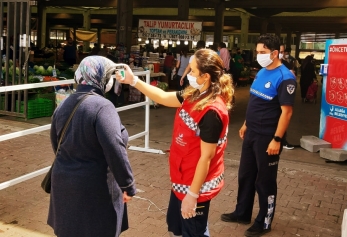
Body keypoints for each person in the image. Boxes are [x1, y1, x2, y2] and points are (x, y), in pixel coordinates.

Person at [116, 49, 234, 237]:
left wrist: (193, 196)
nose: (188, 75)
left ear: (205, 76)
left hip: (196, 185)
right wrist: (133, 81)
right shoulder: (196, 94)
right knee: (177, 226)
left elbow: (206, 158)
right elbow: (163, 97)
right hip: (183, 178)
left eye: (193, 71)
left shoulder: (212, 111)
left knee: (194, 230)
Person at [48, 56, 136, 237]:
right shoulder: (103, 106)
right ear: (101, 77)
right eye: (110, 76)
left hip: (64, 188)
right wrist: (127, 184)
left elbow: (55, 143)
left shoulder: (63, 104)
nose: (111, 80)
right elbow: (115, 149)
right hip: (95, 191)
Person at [221, 34, 296, 237]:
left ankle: (264, 221)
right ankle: (242, 212)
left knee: (264, 181)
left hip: (268, 136)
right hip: (252, 132)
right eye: (257, 51)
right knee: (246, 175)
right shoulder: (262, 72)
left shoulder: (285, 77)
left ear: (274, 53)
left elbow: (287, 112)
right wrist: (246, 123)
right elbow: (256, 101)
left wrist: (277, 140)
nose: (258, 55)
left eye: (262, 52)